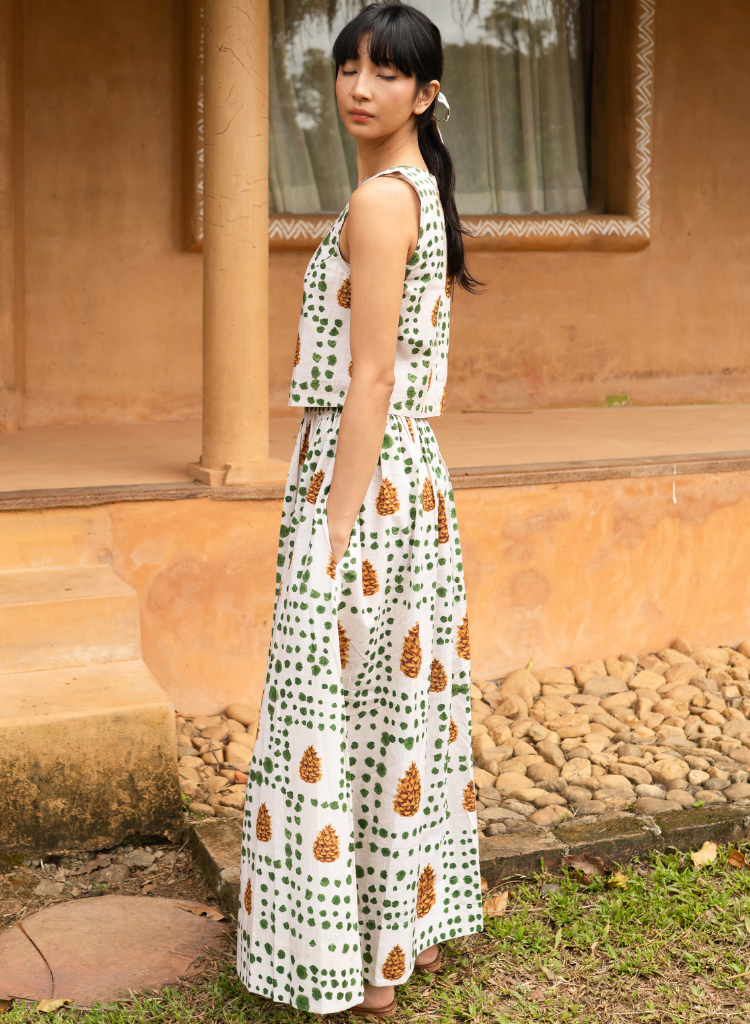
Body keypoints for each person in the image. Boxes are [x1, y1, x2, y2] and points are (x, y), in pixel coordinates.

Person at [237, 2, 483, 1016]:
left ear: (426, 94)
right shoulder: (411, 187)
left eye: (385, 73)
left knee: (332, 704)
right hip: (405, 478)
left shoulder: (384, 200)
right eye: (348, 67)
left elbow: (372, 376)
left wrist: (332, 530)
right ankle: (398, 938)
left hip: (367, 479)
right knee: (394, 707)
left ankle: (358, 966)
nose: (357, 87)